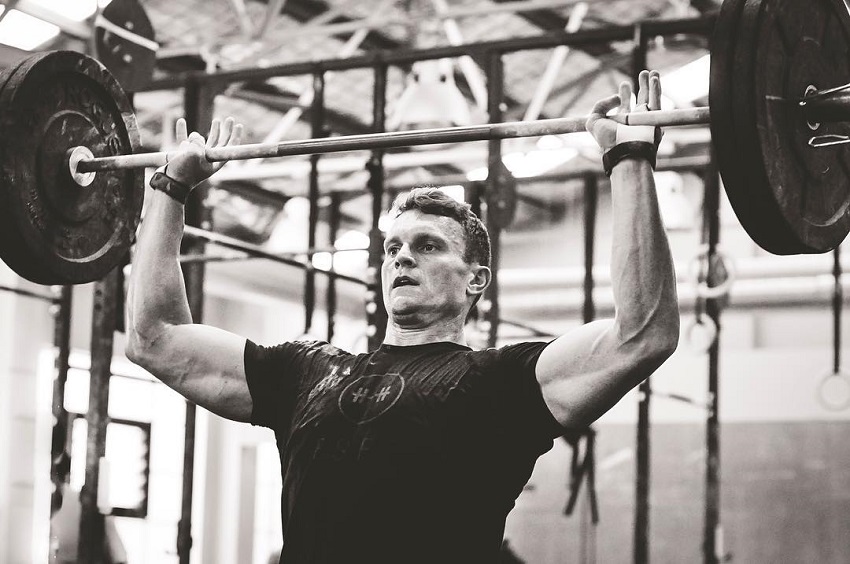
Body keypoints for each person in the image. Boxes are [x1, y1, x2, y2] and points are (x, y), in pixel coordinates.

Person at [126, 70, 679, 563]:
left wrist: (628, 160)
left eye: (428, 246)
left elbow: (642, 333)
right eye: (391, 248)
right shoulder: (305, 372)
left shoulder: (499, 384)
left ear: (476, 279)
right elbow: (155, 337)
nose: (402, 257)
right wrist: (170, 189)